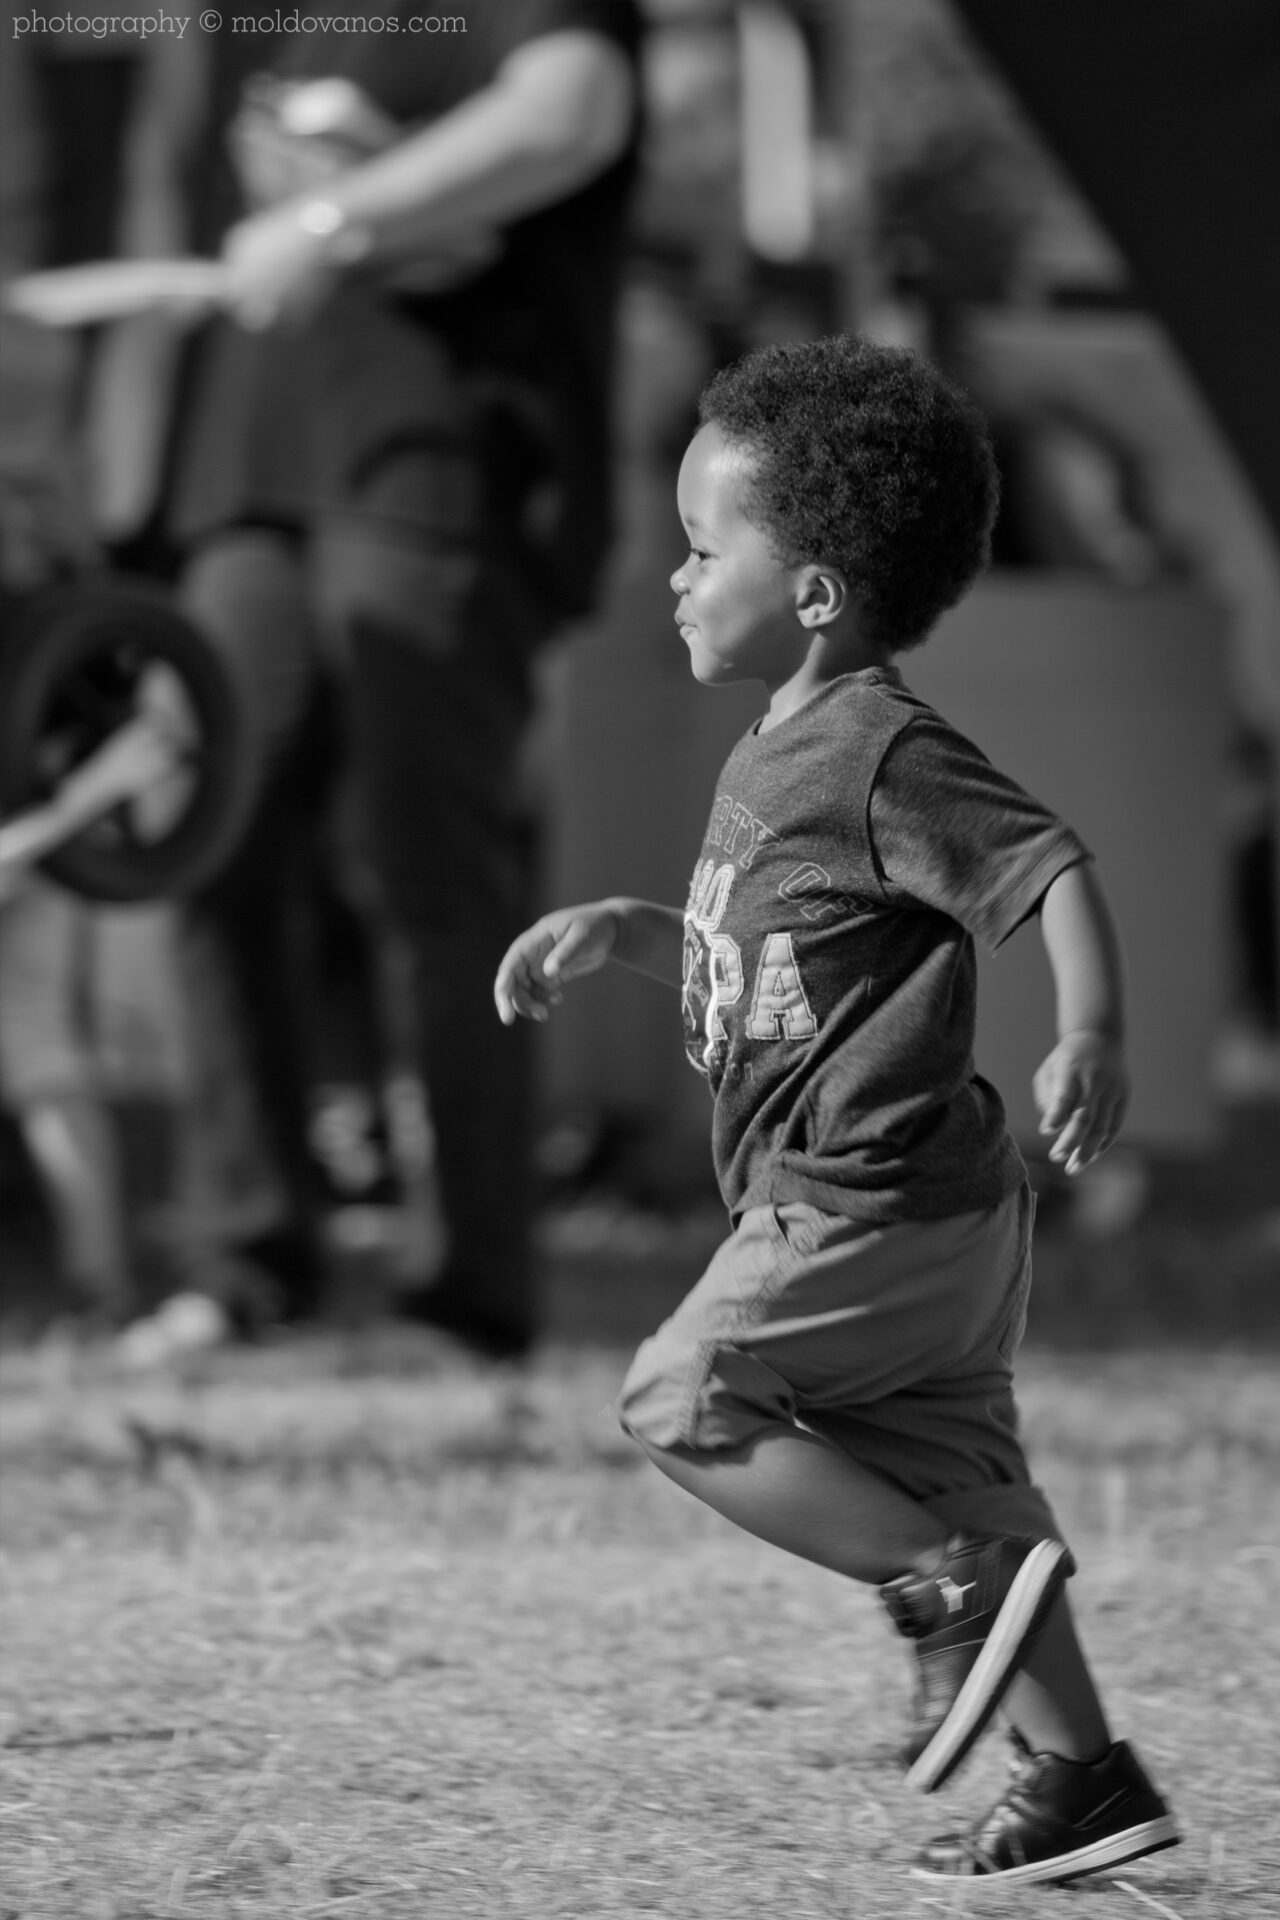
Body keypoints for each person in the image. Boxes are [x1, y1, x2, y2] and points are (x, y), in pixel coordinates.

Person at [493, 334, 1180, 1886]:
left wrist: (1097, 1031)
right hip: (924, 1217)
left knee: (680, 1397)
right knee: (968, 1481)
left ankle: (936, 1586)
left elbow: (1049, 866)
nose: (672, 579)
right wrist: (632, 930)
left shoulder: (877, 747)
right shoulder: (785, 749)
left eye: (697, 547)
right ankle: (1083, 1776)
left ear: (813, 592)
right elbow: (781, 960)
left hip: (861, 1200)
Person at [164, 1, 643, 1347]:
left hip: (439, 465)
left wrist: (331, 224)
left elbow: (573, 104)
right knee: (212, 834)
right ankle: (246, 1263)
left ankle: (470, 1286)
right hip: (248, 476)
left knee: (427, 869)